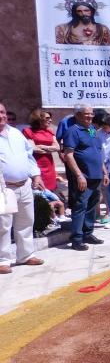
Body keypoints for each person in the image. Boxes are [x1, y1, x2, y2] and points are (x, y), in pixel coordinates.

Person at [0, 102, 45, 274]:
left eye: (3, 112)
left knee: (26, 221)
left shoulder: (16, 133)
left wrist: (36, 175)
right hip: (4, 188)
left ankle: (25, 255)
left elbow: (29, 156)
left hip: (24, 185)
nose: (1, 116)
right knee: (3, 226)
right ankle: (2, 260)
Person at [62, 104, 108, 250]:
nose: (90, 116)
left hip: (96, 176)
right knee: (80, 206)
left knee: (92, 206)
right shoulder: (72, 131)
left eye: (91, 114)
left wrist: (104, 172)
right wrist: (79, 175)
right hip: (83, 177)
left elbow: (97, 151)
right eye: (86, 114)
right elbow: (68, 155)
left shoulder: (93, 130)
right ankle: (76, 238)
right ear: (78, 115)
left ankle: (88, 233)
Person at [23, 109, 59, 192]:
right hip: (36, 165)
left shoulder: (50, 131)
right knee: (38, 191)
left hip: (49, 166)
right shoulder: (28, 131)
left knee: (51, 192)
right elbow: (34, 149)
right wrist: (50, 149)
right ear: (39, 118)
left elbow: (57, 147)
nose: (51, 120)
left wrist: (42, 146)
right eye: (47, 118)